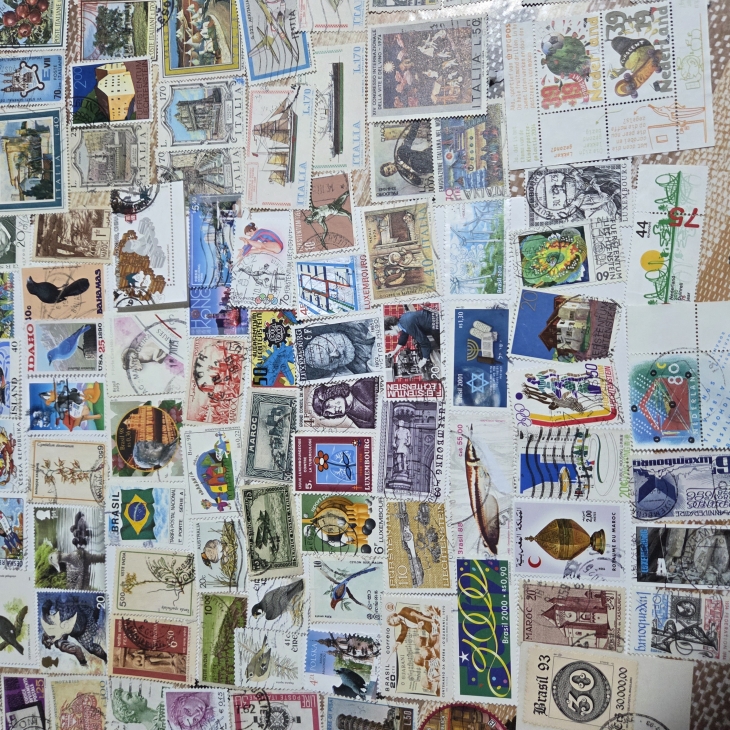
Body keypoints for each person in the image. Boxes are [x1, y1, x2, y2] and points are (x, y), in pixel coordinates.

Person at [302, 323, 376, 379]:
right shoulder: (360, 371)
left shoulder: (355, 322)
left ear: (327, 336)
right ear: (331, 366)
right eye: (331, 360)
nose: (337, 355)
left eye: (329, 349)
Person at [379, 122, 433, 188]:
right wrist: (412, 178)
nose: (391, 171)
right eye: (389, 173)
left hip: (430, 155)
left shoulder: (400, 153)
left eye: (389, 168)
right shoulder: (404, 173)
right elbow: (418, 182)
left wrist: (416, 123)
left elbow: (409, 138)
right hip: (432, 167)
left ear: (389, 163)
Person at [310, 381, 376, 429]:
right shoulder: (355, 419)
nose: (333, 412)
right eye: (328, 413)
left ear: (333, 394)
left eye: (328, 405)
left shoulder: (363, 385)